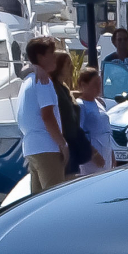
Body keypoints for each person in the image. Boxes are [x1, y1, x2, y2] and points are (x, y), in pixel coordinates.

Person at [17, 36, 67, 193]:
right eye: (51, 53)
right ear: (40, 57)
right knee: (53, 201)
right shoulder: (43, 81)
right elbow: (47, 116)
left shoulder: (29, 80)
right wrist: (62, 144)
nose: (55, 56)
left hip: (32, 148)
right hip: (47, 147)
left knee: (37, 200)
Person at [74, 67, 125, 175]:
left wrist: (112, 153)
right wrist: (93, 154)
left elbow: (106, 130)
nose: (98, 87)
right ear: (84, 85)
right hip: (92, 157)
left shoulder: (99, 103)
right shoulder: (81, 105)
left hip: (106, 152)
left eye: (100, 83)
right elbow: (79, 133)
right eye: (95, 84)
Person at [52, 47, 93, 175]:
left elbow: (69, 98)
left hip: (73, 142)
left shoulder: (62, 86)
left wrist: (85, 94)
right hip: (64, 143)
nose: (71, 68)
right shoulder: (52, 87)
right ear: (58, 66)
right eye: (68, 64)